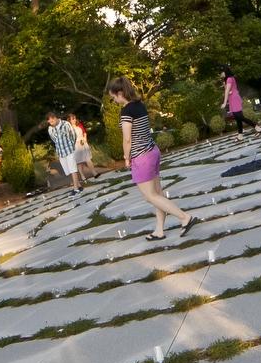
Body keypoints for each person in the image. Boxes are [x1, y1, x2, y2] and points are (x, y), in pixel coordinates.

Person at [107, 75, 197, 240]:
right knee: (157, 194)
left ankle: (185, 217)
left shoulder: (126, 110)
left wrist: (126, 157)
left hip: (141, 156)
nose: (113, 100)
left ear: (120, 92)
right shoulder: (139, 105)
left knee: (150, 196)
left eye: (113, 97)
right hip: (152, 151)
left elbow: (127, 138)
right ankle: (159, 230)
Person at [47, 109, 83, 191]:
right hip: (61, 152)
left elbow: (73, 135)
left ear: (56, 117)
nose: (50, 120)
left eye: (52, 118)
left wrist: (71, 145)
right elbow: (54, 140)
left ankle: (75, 189)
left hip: (69, 150)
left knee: (73, 169)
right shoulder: (50, 129)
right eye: (49, 119)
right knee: (68, 171)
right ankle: (79, 186)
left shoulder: (65, 124)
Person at [220, 67, 260, 139]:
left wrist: (224, 102)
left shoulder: (229, 79)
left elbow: (227, 91)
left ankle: (257, 127)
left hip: (234, 99)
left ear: (225, 72)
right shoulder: (229, 79)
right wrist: (225, 86)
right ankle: (240, 135)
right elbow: (229, 90)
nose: (220, 74)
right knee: (237, 118)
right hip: (233, 99)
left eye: (221, 72)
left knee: (240, 117)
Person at [69, 111, 96, 178]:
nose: (74, 120)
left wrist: (84, 138)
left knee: (88, 159)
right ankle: (82, 175)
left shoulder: (79, 125)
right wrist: (77, 142)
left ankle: (94, 173)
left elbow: (84, 132)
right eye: (72, 119)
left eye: (74, 118)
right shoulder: (69, 129)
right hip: (76, 146)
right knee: (79, 162)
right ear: (69, 120)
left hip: (83, 144)